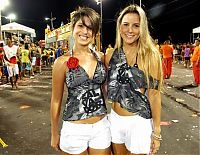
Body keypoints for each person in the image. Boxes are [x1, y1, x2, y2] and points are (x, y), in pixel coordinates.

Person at [50, 7, 111, 155]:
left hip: (101, 127)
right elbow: (56, 100)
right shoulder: (61, 62)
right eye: (80, 26)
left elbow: (107, 89)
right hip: (74, 130)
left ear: (94, 32)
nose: (85, 32)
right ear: (73, 28)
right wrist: (54, 133)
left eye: (90, 28)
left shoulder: (101, 57)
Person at [105, 4, 162, 155]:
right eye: (125, 25)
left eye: (136, 25)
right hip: (115, 120)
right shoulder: (110, 55)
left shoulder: (150, 56)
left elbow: (155, 95)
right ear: (119, 27)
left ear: (142, 28)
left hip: (138, 122)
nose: (130, 30)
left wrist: (156, 132)